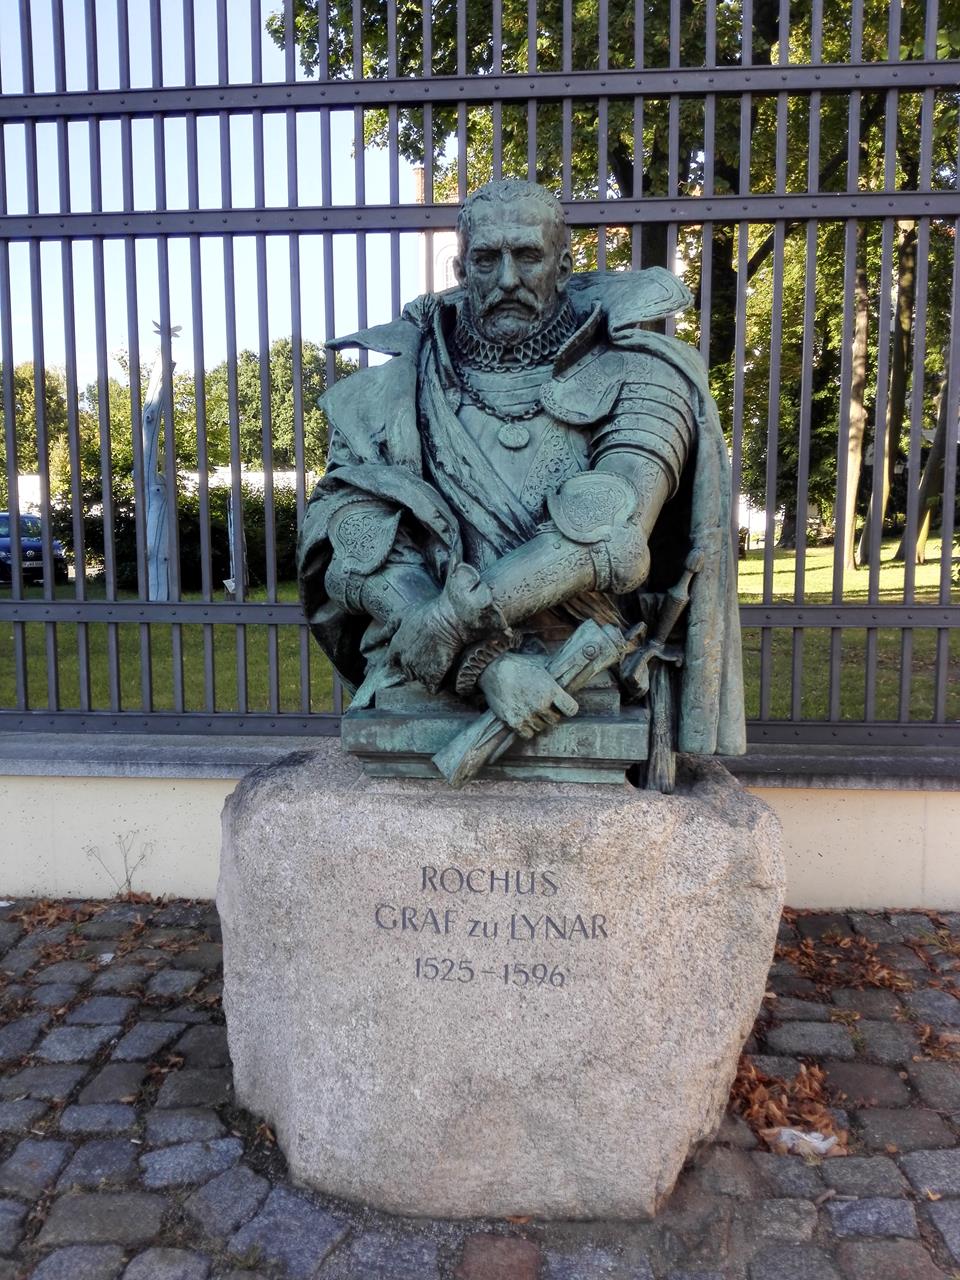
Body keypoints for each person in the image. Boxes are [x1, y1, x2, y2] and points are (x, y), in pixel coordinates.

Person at [297, 179, 744, 765]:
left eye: (528, 255)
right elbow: (353, 541)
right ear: (461, 270)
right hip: (420, 676)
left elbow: (611, 532)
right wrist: (483, 667)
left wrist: (448, 624)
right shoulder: (384, 394)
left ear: (563, 266)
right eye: (487, 259)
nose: (507, 278)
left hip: (579, 669)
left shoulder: (644, 375)